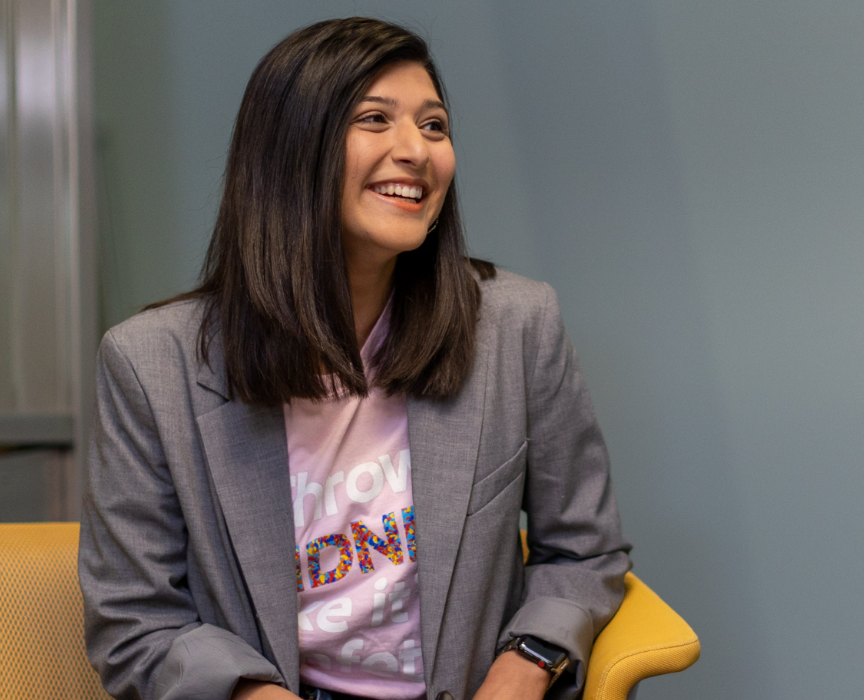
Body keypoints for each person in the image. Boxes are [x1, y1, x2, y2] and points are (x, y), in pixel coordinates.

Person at [80, 17, 630, 700]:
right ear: (291, 148)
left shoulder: (517, 325)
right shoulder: (148, 364)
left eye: (434, 126)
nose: (417, 150)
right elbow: (135, 620)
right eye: (375, 119)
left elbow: (584, 550)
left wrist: (527, 662)